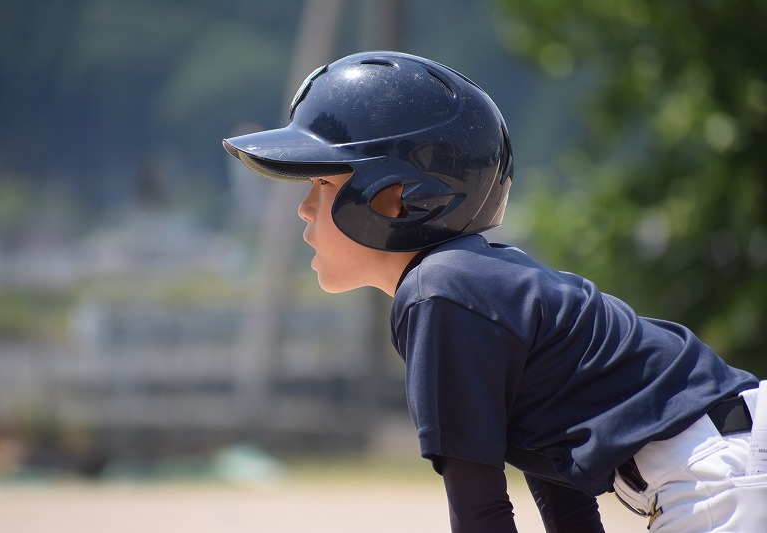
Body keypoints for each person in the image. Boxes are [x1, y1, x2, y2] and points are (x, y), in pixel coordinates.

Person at [222, 50, 766, 532]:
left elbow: (479, 511)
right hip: (729, 459)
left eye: (322, 182)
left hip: (723, 474)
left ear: (396, 196)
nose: (303, 208)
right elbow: (560, 483)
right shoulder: (469, 283)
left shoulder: (440, 293)